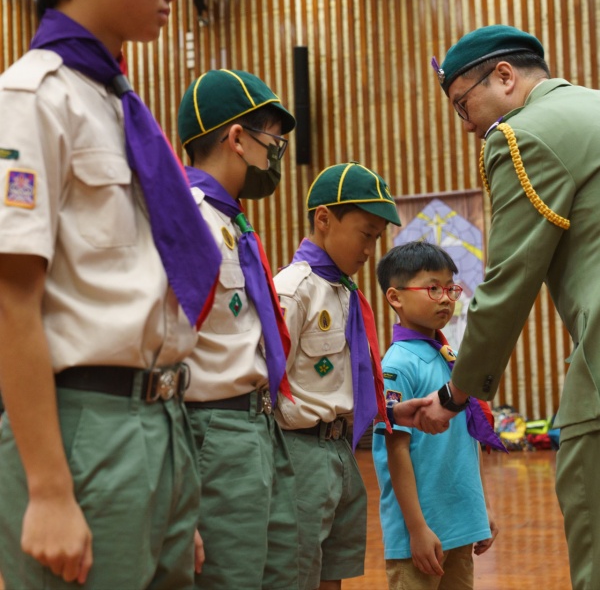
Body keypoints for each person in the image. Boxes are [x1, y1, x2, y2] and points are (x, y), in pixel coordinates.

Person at [0, 0, 222, 587]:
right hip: (83, 425)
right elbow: (10, 301)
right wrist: (48, 490)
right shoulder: (30, 98)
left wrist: (171, 484)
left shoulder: (115, 104)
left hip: (162, 423)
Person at [427, 24, 600, 589]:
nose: (467, 126)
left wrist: (456, 394)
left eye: (463, 105)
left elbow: (507, 284)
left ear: (504, 77)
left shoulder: (522, 135)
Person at [274, 162, 432, 590]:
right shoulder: (293, 290)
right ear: (324, 219)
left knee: (333, 575)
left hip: (342, 452)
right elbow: (266, 386)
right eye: (365, 234)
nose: (369, 250)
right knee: (296, 575)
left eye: (377, 238)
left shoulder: (345, 292)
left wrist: (390, 412)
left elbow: (339, 384)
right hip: (299, 453)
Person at [177, 68, 299, 590]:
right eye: (272, 142)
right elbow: (166, 350)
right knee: (228, 580)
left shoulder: (232, 222)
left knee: (275, 575)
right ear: (236, 138)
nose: (275, 157)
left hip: (258, 426)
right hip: (213, 429)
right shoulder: (190, 219)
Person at [372, 241, 500, 590]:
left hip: (460, 526)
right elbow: (396, 450)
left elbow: (469, 438)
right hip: (421, 535)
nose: (445, 298)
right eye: (432, 289)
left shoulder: (451, 358)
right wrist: (416, 530)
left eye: (450, 288)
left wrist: (482, 508)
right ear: (396, 298)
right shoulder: (397, 365)